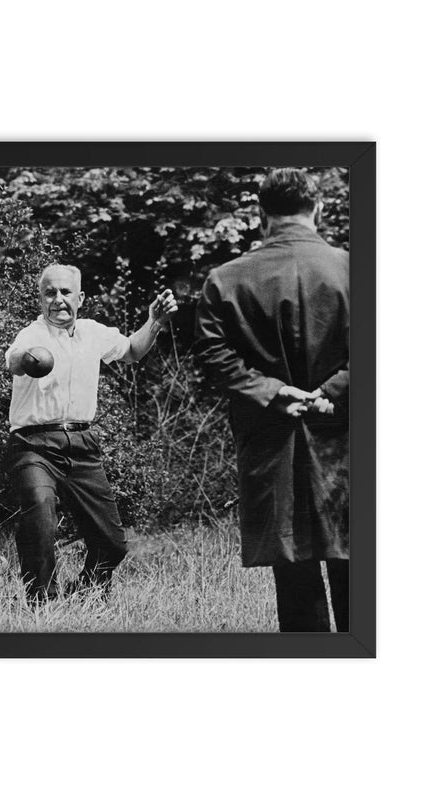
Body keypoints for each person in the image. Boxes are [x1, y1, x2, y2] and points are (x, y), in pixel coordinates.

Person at [194, 168, 349, 632]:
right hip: (349, 440)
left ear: (261, 216)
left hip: (272, 439)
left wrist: (273, 392)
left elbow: (211, 353)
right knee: (360, 563)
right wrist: (334, 392)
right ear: (317, 210)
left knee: (294, 569)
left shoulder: (226, 280)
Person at [5, 264, 177, 603]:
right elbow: (13, 360)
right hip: (32, 445)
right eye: (49, 293)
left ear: (80, 298)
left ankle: (85, 591)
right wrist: (27, 358)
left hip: (82, 444)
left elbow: (132, 351)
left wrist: (154, 321)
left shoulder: (92, 332)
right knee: (40, 512)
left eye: (65, 292)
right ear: (39, 298)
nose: (57, 300)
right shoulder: (32, 334)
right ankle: (42, 604)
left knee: (112, 543)